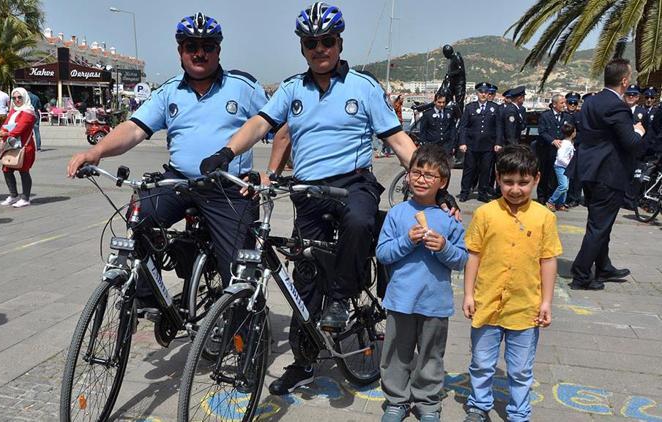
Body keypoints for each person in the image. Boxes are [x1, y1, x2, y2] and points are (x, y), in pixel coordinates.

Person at [198, 2, 427, 395]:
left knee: (359, 222)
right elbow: (260, 123)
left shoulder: (364, 86)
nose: (319, 48)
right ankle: (304, 362)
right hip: (307, 190)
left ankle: (342, 299)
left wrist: (430, 182)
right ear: (302, 47)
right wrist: (227, 152)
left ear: (339, 42)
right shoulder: (291, 88)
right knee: (304, 280)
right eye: (311, 42)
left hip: (352, 182)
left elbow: (397, 139)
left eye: (327, 41)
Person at [67, 12, 265, 305]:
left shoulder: (243, 87)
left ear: (218, 50)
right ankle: (150, 298)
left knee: (237, 270)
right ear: (180, 51)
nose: (199, 53)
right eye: (191, 46)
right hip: (179, 181)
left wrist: (274, 171)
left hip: (227, 188)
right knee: (139, 216)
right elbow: (134, 129)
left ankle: (242, 328)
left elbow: (278, 125)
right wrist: (95, 152)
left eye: (207, 46)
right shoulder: (170, 91)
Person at [461, 145, 561, 422]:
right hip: (487, 302)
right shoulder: (485, 214)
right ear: (497, 177)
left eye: (523, 182)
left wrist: (546, 302)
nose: (515, 189)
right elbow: (474, 256)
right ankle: (479, 406)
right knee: (481, 362)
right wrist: (468, 294)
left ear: (536, 179)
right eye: (508, 182)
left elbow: (548, 261)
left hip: (525, 307)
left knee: (520, 369)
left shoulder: (544, 217)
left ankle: (518, 412)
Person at [376, 144, 468, 422]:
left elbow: (462, 259)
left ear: (443, 181)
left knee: (431, 355)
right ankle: (397, 400)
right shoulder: (397, 213)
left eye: (430, 175)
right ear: (407, 175)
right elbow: (383, 253)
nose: (421, 179)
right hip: (400, 299)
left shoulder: (449, 219)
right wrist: (407, 241)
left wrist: (443, 247)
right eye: (416, 172)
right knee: (395, 354)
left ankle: (428, 400)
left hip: (435, 302)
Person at [570, 58, 645, 290]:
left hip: (590, 170)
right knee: (599, 226)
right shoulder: (617, 106)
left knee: (601, 223)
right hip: (608, 173)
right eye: (629, 77)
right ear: (624, 81)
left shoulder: (591, 102)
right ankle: (581, 274)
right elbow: (630, 142)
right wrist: (639, 131)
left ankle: (603, 266)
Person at [458, 82, 501, 202]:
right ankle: (464, 192)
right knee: (469, 169)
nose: (483, 94)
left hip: (488, 145)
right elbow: (464, 127)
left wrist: (498, 143)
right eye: (481, 92)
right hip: (472, 144)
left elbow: (498, 127)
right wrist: (462, 142)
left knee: (485, 170)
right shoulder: (470, 107)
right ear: (477, 93)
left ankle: (482, 193)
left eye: (486, 92)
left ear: (489, 94)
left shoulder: (494, 107)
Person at [0, 88, 37, 208]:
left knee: (23, 170)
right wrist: (3, 131)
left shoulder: (28, 112)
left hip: (24, 146)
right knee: (7, 169)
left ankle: (25, 197)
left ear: (25, 97)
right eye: (14, 98)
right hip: (11, 145)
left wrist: (6, 134)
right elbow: (6, 124)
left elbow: (20, 128)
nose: (17, 100)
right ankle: (13, 195)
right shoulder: (13, 110)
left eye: (19, 97)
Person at [536, 94, 574, 203]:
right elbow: (542, 131)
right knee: (545, 173)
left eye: (564, 103)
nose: (564, 105)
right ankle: (542, 197)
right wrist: (552, 140)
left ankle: (553, 198)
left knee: (556, 176)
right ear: (554, 104)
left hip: (561, 153)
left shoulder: (567, 117)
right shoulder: (545, 116)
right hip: (547, 150)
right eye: (562, 103)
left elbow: (569, 132)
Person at [547, 122, 576, 212]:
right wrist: (568, 164)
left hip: (565, 167)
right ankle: (551, 201)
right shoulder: (565, 144)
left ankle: (560, 204)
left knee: (566, 186)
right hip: (560, 167)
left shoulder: (570, 143)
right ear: (572, 133)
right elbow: (560, 157)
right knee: (563, 186)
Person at [24, 86, 43, 151]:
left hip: (27, 114)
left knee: (27, 131)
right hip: (35, 113)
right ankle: (38, 147)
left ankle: (28, 145)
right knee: (37, 131)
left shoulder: (24, 97)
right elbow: (40, 106)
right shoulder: (36, 97)